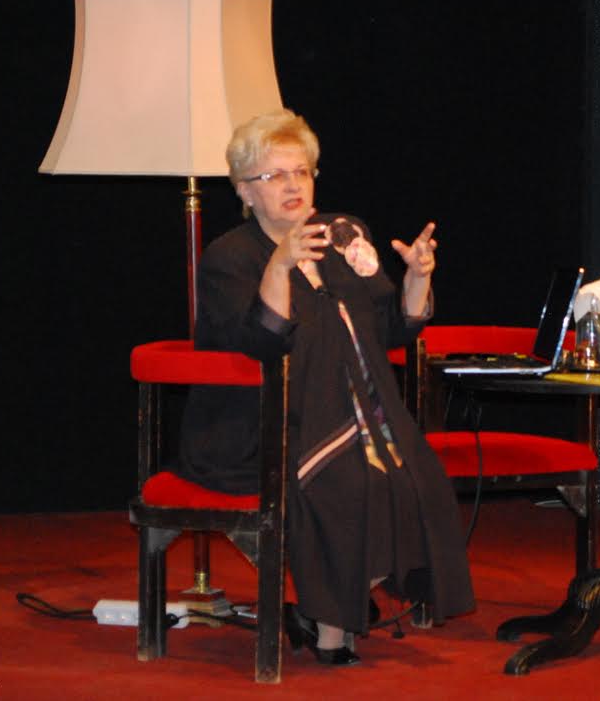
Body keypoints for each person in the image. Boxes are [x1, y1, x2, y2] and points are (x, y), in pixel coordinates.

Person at [174, 109, 475, 666]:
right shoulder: (229, 258)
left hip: (355, 416)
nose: (292, 185)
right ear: (244, 190)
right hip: (258, 429)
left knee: (420, 477)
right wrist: (280, 265)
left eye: (302, 172)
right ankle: (331, 626)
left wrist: (418, 277)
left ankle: (328, 610)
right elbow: (263, 342)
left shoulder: (342, 235)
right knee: (349, 481)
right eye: (274, 175)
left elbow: (392, 329)